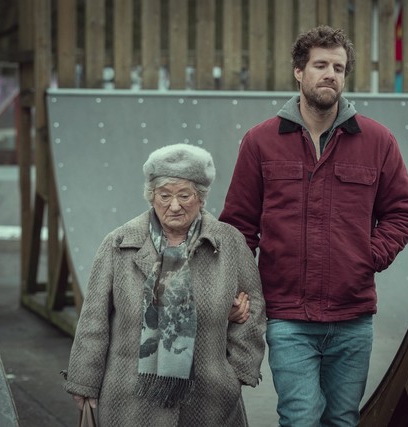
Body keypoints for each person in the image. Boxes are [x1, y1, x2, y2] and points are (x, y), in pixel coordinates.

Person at [219, 25, 408, 426]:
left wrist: (368, 256)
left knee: (343, 420)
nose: (331, 74)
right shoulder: (261, 141)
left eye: (339, 67)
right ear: (299, 71)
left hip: (353, 316)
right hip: (288, 315)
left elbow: (403, 212)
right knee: (300, 418)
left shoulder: (377, 141)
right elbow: (238, 226)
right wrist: (235, 288)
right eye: (321, 65)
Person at [63, 143, 266, 426]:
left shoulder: (228, 243)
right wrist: (84, 382)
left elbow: (253, 308)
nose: (174, 205)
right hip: (129, 398)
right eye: (164, 195)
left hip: (210, 400)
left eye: (184, 195)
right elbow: (94, 320)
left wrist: (237, 374)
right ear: (151, 196)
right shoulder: (119, 244)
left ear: (201, 197)